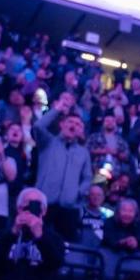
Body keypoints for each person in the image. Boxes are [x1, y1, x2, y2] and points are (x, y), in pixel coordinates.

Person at [32, 94, 92, 241]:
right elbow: (38, 126)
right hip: (43, 204)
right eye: (70, 122)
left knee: (66, 247)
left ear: (81, 131)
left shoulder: (83, 152)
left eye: (78, 125)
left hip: (68, 206)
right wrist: (56, 110)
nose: (73, 126)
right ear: (62, 125)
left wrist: (78, 192)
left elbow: (87, 177)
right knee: (37, 241)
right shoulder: (48, 143)